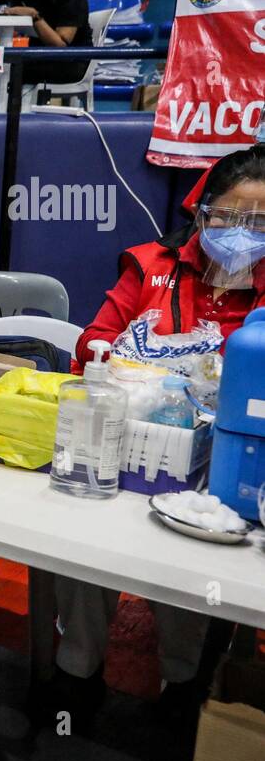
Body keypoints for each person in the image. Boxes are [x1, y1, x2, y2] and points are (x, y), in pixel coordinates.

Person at [48, 144, 265, 728]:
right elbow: (93, 342)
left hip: (220, 467)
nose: (240, 232)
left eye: (259, 223)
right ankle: (76, 672)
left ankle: (183, 687)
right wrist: (135, 372)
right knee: (80, 539)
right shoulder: (152, 266)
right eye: (227, 216)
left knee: (196, 560)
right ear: (202, 213)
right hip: (125, 447)